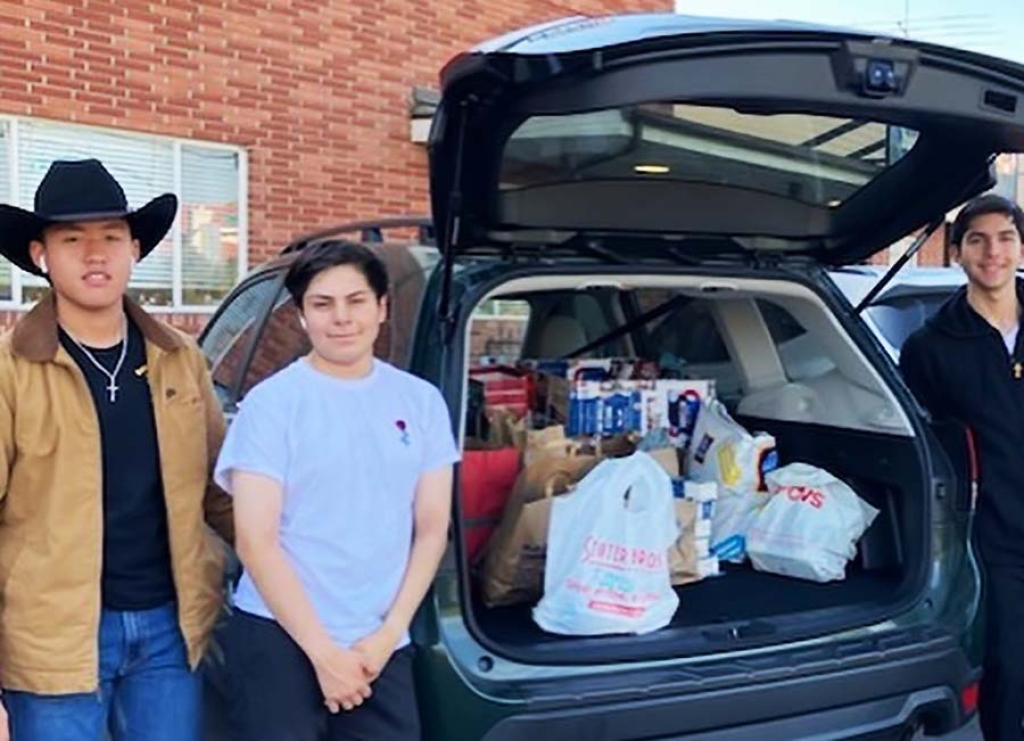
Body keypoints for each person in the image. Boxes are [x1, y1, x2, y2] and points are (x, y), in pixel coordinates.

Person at [0, 159, 234, 741]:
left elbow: (222, 497)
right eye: (72, 239)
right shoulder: (9, 371)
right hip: (51, 642)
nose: (94, 253)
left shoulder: (181, 360)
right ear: (41, 255)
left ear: (135, 249)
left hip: (170, 632)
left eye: (111, 237)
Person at [215, 240, 459, 741]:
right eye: (322, 304)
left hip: (378, 644)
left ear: (381, 307)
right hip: (279, 636)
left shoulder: (421, 402)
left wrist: (389, 636)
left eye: (356, 301)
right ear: (302, 316)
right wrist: (324, 655)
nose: (341, 318)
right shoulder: (273, 405)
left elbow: (432, 527)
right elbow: (255, 541)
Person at [900, 193, 1024, 740]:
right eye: (977, 239)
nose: (992, 251)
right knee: (1008, 672)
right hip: (997, 541)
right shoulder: (930, 347)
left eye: (1005, 238)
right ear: (957, 252)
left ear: (1021, 247)